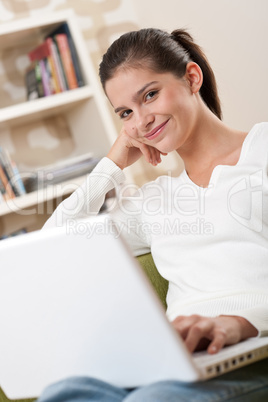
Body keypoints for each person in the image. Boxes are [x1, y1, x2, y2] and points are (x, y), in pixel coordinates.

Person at [38, 28, 268, 401]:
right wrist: (111, 165)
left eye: (150, 95)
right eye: (126, 112)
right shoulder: (154, 201)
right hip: (176, 361)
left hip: (252, 352)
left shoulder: (263, 150)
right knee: (66, 391)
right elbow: (53, 244)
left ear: (192, 78)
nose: (142, 121)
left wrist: (238, 323)